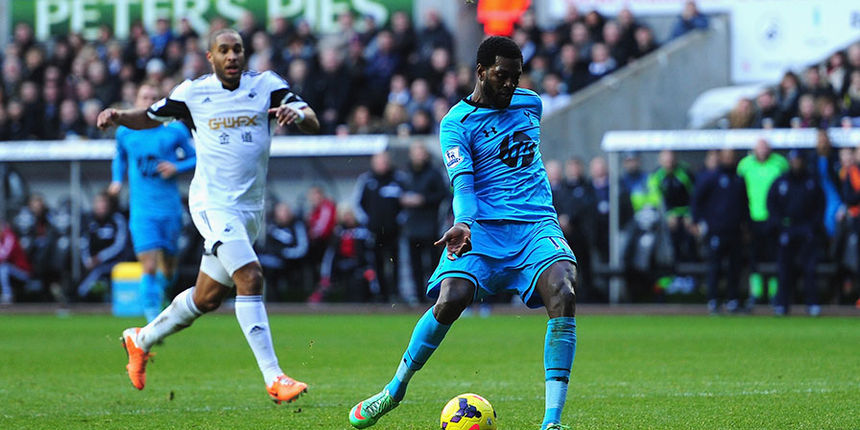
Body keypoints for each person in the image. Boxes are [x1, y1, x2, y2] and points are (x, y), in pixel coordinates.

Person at [349, 36, 577, 430]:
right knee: (451, 299)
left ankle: (552, 422)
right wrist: (464, 222)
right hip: (481, 228)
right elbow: (464, 183)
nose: (510, 85)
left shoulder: (531, 104)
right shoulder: (456, 123)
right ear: (480, 72)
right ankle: (394, 389)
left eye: (516, 77)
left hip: (536, 225)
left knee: (564, 290)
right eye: (502, 76)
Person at [96, 28, 320, 403]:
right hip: (212, 205)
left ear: (245, 55)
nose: (232, 56)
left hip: (249, 210)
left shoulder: (267, 86)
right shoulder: (193, 93)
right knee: (250, 276)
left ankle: (141, 338)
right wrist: (119, 115)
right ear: (210, 57)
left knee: (207, 298)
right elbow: (150, 117)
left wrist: (296, 113)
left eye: (238, 50)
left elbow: (312, 119)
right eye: (224, 51)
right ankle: (274, 378)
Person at [108, 82, 197, 322]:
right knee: (148, 265)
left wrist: (176, 167)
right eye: (144, 96)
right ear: (136, 101)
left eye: (153, 97)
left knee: (168, 266)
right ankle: (152, 319)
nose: (148, 100)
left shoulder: (174, 129)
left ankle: (163, 292)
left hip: (169, 209)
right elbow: (120, 158)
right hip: (142, 211)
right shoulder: (126, 131)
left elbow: (197, 158)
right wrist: (117, 180)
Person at [691, 149, 749, 314]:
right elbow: (697, 200)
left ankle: (733, 300)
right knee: (715, 267)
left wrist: (746, 226)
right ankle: (713, 300)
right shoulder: (711, 178)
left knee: (734, 268)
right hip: (716, 230)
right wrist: (697, 221)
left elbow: (745, 204)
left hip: (735, 230)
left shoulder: (739, 179)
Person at [767, 150, 824, 316]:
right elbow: (772, 204)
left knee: (810, 269)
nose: (796, 163)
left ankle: (812, 303)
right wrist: (779, 225)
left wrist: (813, 226)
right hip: (787, 229)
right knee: (784, 269)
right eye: (793, 160)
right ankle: (782, 304)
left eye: (798, 160)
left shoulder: (811, 181)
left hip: (806, 229)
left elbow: (820, 205)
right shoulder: (781, 181)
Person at [737, 139, 788, 308]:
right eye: (759, 148)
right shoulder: (744, 165)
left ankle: (774, 294)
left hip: (773, 218)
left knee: (774, 256)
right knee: (754, 258)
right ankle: (756, 294)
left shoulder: (780, 163)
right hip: (752, 218)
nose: (763, 151)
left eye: (765, 147)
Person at [354, 151, 407, 302]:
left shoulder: (398, 178)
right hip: (374, 231)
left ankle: (396, 293)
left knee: (396, 263)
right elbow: (357, 203)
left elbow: (406, 203)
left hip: (394, 231)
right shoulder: (366, 180)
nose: (382, 164)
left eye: (385, 161)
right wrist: (368, 222)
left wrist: (399, 221)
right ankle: (381, 294)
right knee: (376, 263)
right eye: (379, 162)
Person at [401, 142, 448, 304]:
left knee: (434, 263)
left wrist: (423, 200)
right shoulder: (406, 174)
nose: (419, 156)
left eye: (421, 152)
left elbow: (443, 194)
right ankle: (418, 298)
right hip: (412, 227)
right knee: (415, 265)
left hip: (430, 226)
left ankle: (435, 295)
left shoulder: (434, 173)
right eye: (416, 152)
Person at [258, 202, 309, 302]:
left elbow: (302, 248)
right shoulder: (272, 226)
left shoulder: (297, 225)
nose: (284, 214)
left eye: (286, 211)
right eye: (281, 211)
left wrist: (283, 253)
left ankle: (278, 302)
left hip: (291, 262)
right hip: (272, 260)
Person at [0, 219, 31, 305]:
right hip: (12, 273)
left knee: (3, 268)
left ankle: (7, 296)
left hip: (23, 272)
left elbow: (5, 256)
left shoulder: (9, 236)